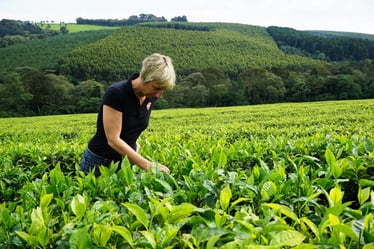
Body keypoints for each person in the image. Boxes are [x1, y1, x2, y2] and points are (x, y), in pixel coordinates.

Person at [80, 53, 176, 176]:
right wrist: (147, 164)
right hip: (100, 161)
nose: (159, 95)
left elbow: (133, 126)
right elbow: (113, 139)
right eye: (156, 88)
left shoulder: (150, 97)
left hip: (125, 161)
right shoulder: (116, 94)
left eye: (163, 90)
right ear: (145, 78)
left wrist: (134, 145)